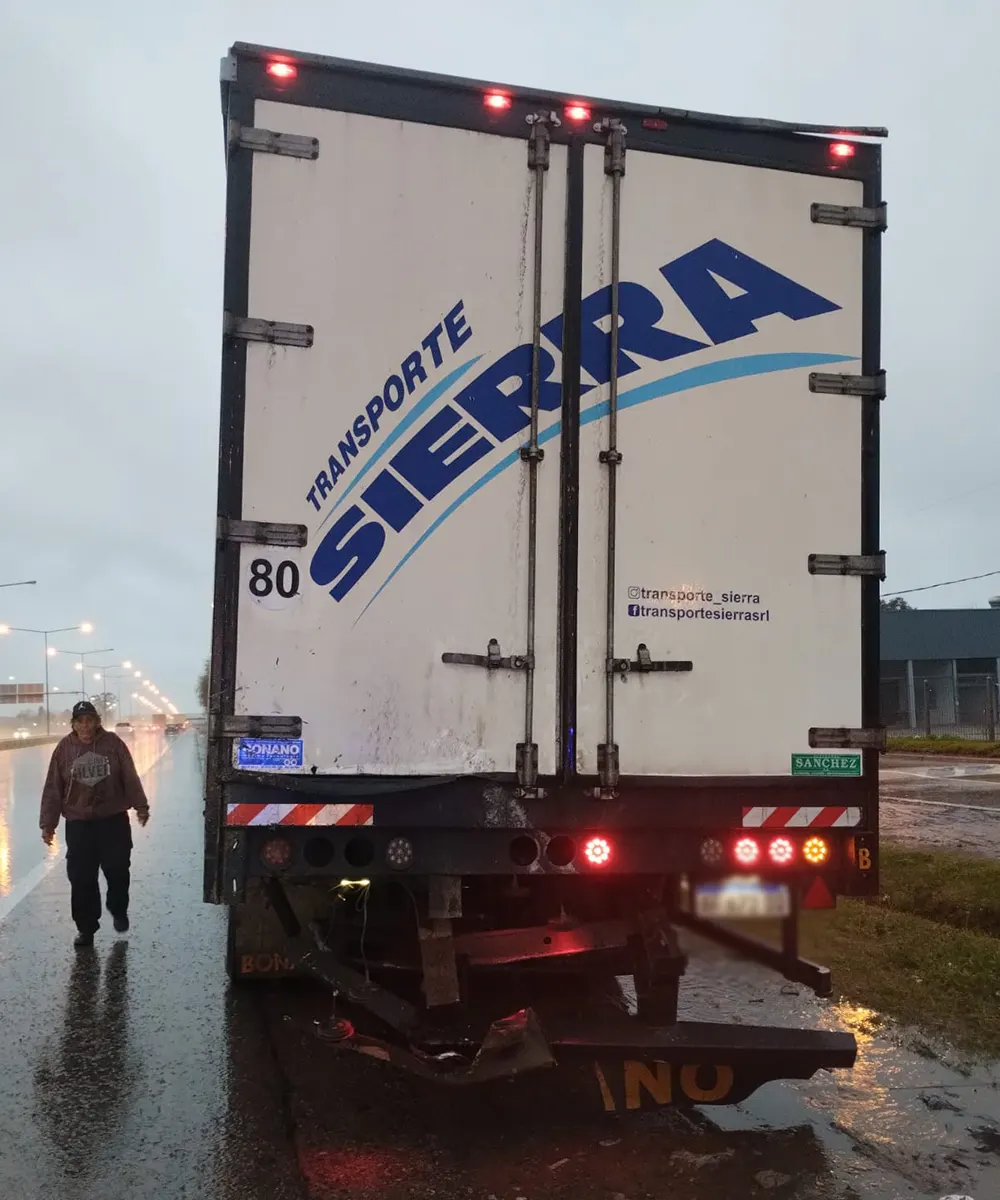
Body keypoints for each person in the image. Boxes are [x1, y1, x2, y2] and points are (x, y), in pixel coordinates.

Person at [40, 700, 150, 948]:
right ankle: (86, 928)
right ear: (74, 724)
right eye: (80, 721)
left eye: (90, 720)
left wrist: (140, 806)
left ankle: (118, 908)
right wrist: (48, 824)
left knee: (118, 871)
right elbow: (53, 788)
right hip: (79, 825)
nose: (86, 726)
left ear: (97, 722)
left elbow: (129, 775)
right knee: (81, 879)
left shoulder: (113, 744)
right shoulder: (64, 749)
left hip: (113, 822)